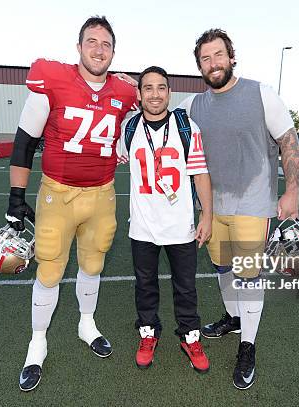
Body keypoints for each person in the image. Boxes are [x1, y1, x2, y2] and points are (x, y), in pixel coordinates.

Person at [5, 16, 137, 392]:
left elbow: (154, 98)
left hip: (102, 193)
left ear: (114, 52)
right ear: (78, 47)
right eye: (91, 42)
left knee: (93, 263)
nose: (99, 49)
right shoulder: (53, 78)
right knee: (49, 267)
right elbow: (25, 141)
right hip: (58, 194)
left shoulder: (125, 92)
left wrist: (130, 80)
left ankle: (86, 323)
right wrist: (16, 196)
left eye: (106, 44)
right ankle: (37, 343)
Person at [179, 29, 299, 390]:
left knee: (247, 275)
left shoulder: (261, 93)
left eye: (218, 55)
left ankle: (247, 346)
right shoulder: (191, 106)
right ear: (199, 65)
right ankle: (233, 319)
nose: (213, 63)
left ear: (232, 57)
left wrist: (292, 190)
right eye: (205, 58)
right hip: (212, 209)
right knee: (222, 267)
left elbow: (288, 141)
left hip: (253, 205)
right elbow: (157, 117)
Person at [117, 66, 213, 372]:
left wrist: (207, 215)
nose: (155, 94)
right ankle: (148, 332)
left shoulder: (187, 127)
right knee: (145, 284)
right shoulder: (128, 129)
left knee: (186, 287)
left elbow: (200, 174)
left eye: (161, 88)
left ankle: (190, 335)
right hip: (143, 226)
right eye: (148, 88)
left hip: (180, 225)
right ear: (139, 94)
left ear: (169, 92)